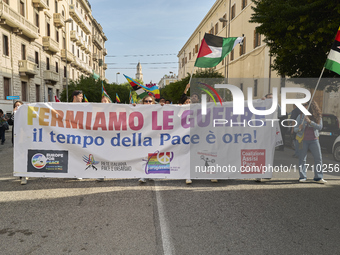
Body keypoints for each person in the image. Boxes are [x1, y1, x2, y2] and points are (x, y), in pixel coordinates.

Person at [294, 100, 326, 184]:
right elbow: (295, 129)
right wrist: (299, 128)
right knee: (302, 159)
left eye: (305, 105)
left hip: (314, 140)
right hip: (302, 140)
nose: (303, 106)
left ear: (311, 106)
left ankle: (318, 177)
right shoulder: (300, 116)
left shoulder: (318, 116)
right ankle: (302, 176)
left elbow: (319, 127)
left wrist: (310, 122)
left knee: (318, 159)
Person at [139, 95, 156, 183]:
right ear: (143, 102)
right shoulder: (139, 110)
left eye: (150, 101)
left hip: (154, 136)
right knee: (143, 155)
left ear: (153, 102)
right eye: (146, 101)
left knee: (153, 154)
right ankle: (143, 175)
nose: (148, 103)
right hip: (143, 136)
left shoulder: (158, 109)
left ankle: (152, 174)